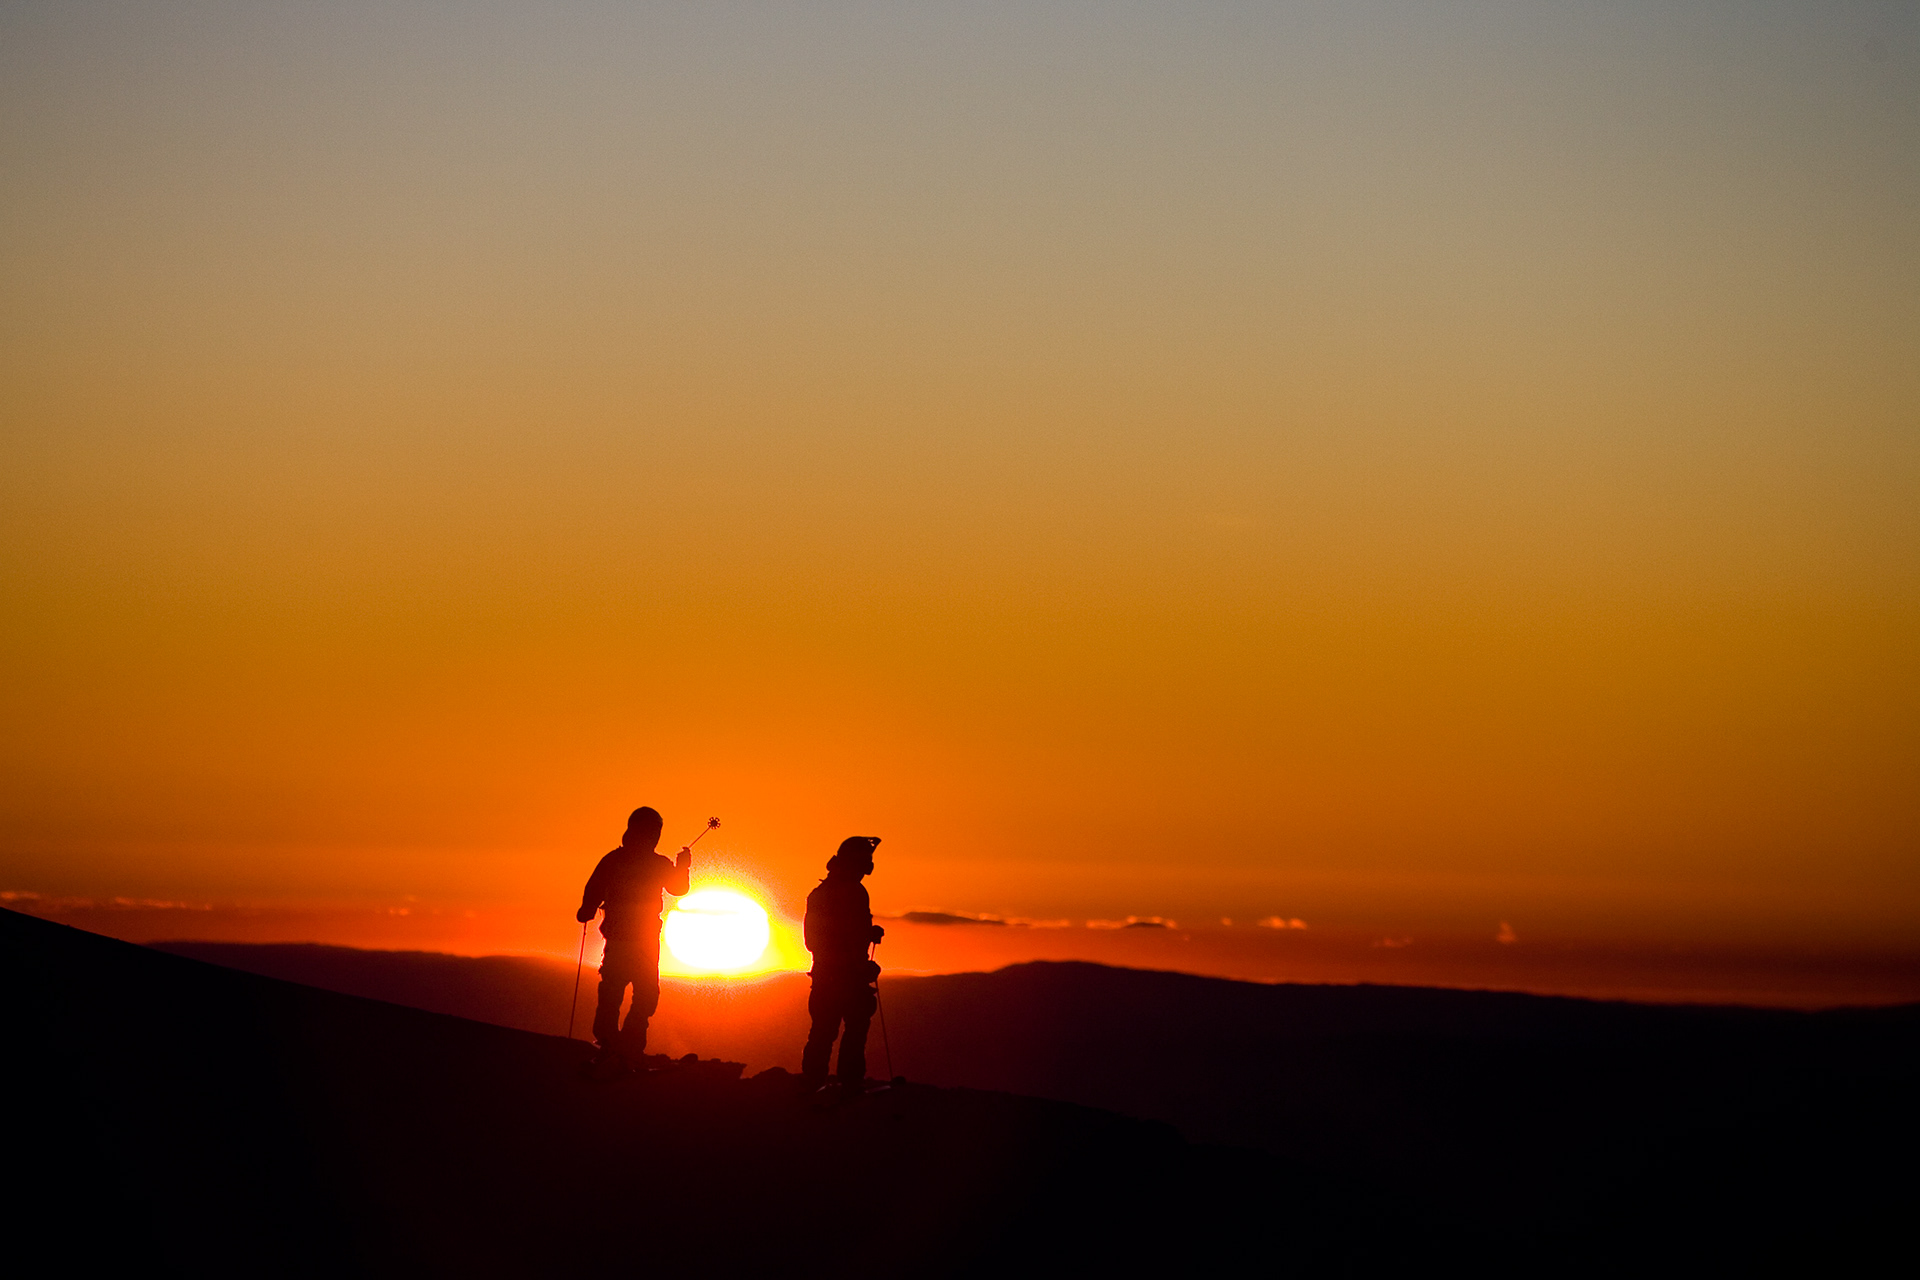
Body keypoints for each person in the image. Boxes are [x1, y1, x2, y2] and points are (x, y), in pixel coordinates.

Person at [577, 806, 691, 1065]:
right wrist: (683, 867)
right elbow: (678, 888)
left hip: (619, 938)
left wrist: (587, 909)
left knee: (614, 991)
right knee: (644, 994)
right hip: (644, 941)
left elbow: (594, 886)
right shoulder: (657, 864)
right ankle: (628, 1045)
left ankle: (610, 1043)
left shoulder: (614, 860)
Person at [800, 836, 885, 1096]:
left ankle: (814, 1085)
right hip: (842, 978)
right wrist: (857, 966)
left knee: (826, 1032)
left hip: (830, 977)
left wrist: (867, 934)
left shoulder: (825, 893)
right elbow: (825, 940)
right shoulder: (851, 893)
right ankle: (845, 1085)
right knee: (846, 1032)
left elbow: (819, 939)